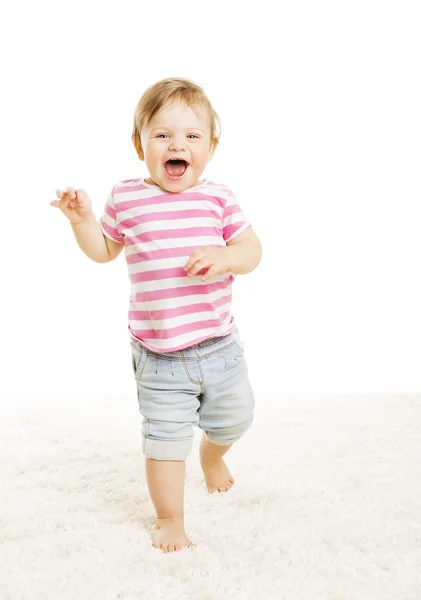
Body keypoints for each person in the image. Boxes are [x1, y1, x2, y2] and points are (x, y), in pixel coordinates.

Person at [50, 77, 262, 554]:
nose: (177, 145)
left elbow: (251, 250)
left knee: (235, 420)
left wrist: (226, 257)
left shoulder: (218, 198)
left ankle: (213, 457)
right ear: (139, 144)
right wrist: (82, 221)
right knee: (164, 440)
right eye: (162, 134)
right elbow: (104, 251)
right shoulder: (126, 197)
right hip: (159, 356)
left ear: (211, 146)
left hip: (220, 347)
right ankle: (169, 517)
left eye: (192, 136)